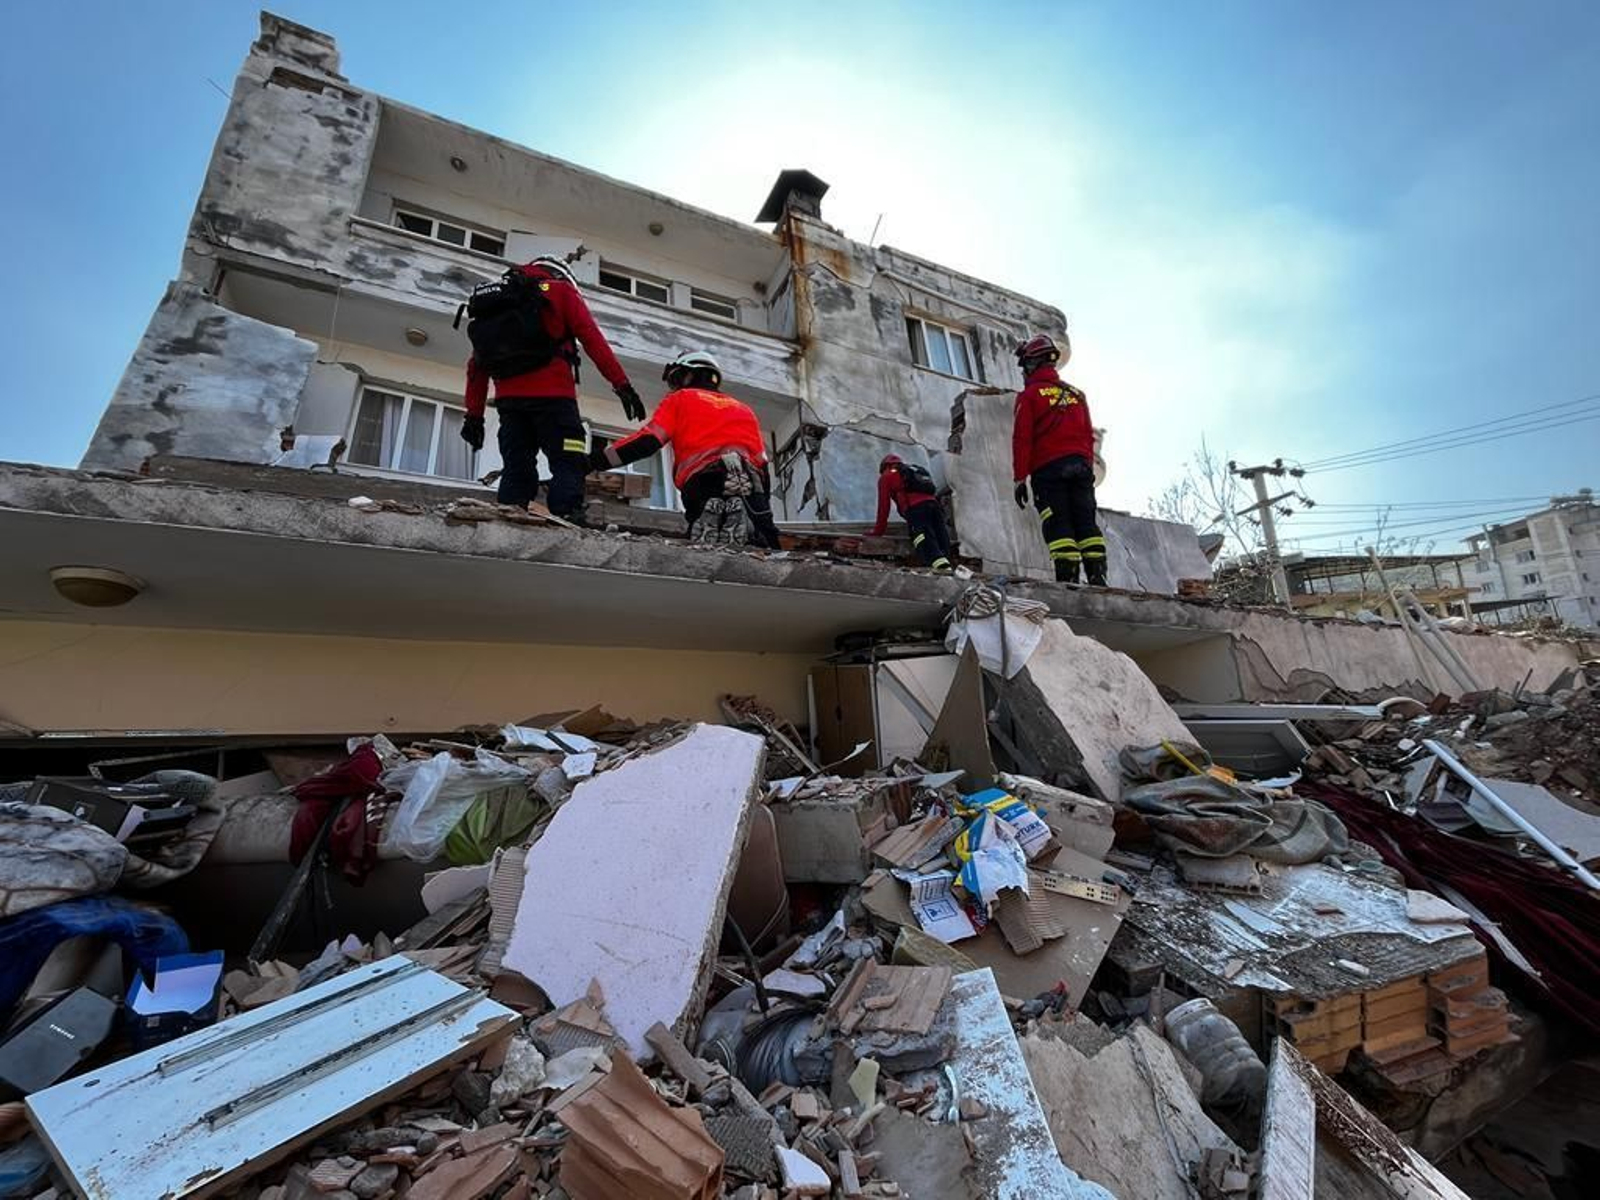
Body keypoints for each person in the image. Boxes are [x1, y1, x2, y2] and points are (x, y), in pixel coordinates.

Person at [459, 256, 644, 521]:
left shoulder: (500, 303)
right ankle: (566, 513)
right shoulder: (561, 292)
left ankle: (511, 511)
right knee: (568, 458)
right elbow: (593, 340)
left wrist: (473, 416)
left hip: (510, 406)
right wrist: (622, 385)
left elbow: (476, 366)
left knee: (516, 464)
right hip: (554, 401)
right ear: (561, 276)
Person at [592, 351, 782, 548]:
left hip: (704, 480)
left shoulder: (680, 399)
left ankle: (714, 516)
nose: (674, 386)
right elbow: (762, 464)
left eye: (676, 379)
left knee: (702, 541)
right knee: (766, 541)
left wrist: (593, 462)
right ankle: (753, 526)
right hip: (750, 482)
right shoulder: (743, 409)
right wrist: (763, 505)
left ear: (689, 375)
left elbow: (647, 442)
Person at [1011, 333, 1107, 584]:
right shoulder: (1077, 394)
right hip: (1081, 467)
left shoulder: (1030, 395)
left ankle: (1068, 580)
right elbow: (1088, 435)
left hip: (1049, 469)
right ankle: (1097, 576)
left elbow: (1022, 439)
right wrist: (1086, 466)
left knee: (1058, 522)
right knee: (1086, 522)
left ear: (1032, 364)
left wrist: (1020, 478)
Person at [870, 455, 953, 570]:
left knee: (921, 536)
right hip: (935, 506)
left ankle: (939, 566)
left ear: (884, 467)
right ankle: (947, 564)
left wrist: (877, 532)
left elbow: (884, 507)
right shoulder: (913, 471)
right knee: (940, 534)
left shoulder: (887, 476)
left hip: (916, 509)